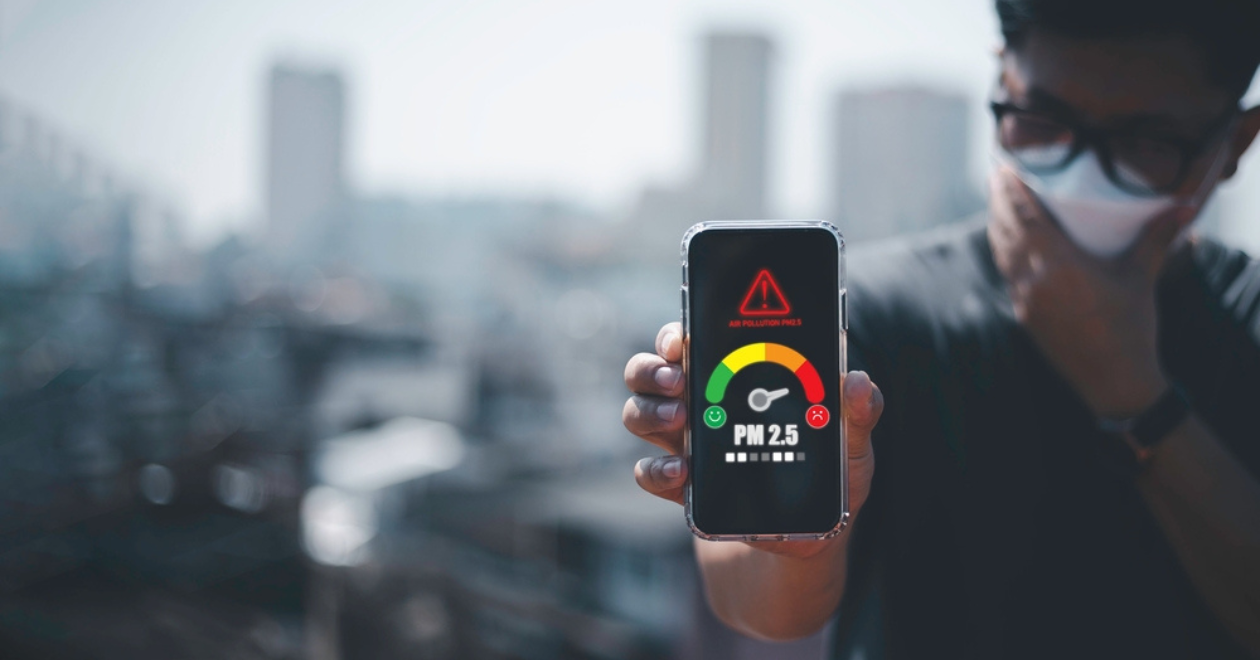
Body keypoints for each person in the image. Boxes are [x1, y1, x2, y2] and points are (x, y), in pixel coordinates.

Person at [622, 1, 1260, 657]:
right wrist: (794, 544)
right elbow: (758, 603)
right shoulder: (871, 310)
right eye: (1042, 123)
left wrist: (1130, 388)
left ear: (1236, 142)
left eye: (1147, 144)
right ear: (1001, 84)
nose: (1083, 174)